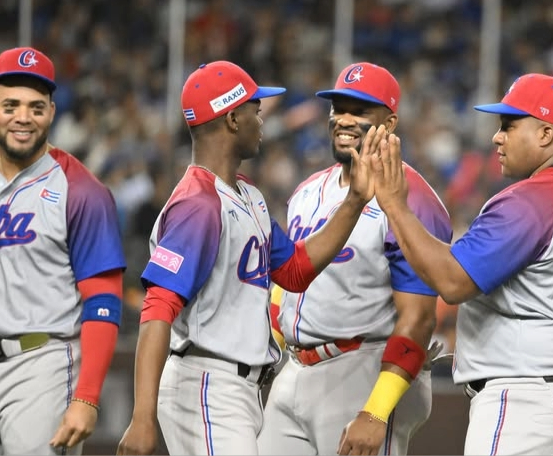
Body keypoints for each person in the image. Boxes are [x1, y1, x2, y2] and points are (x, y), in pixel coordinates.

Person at [116, 60, 380, 455]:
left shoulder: (245, 194)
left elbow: (294, 271)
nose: (262, 120)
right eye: (256, 111)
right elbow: (157, 311)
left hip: (237, 389)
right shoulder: (199, 204)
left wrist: (355, 201)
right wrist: (141, 417)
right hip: (205, 382)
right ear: (233, 119)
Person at [371, 73, 553, 455]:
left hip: (529, 399)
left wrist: (395, 205)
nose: (497, 137)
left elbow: (452, 281)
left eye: (508, 126)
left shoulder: (530, 199)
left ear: (546, 133)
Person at [258, 62, 453, 456]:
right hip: (294, 369)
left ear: (390, 121)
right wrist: (273, 349)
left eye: (360, 110)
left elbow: (418, 317)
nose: (344, 119)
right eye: (338, 108)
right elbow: (289, 285)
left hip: (363, 368)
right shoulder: (309, 190)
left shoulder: (412, 200)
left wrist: (377, 411)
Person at [0, 46, 126, 454]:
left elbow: (103, 301)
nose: (23, 117)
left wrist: (86, 397)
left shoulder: (81, 190)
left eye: (36, 107)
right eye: (11, 105)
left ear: (52, 113)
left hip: (41, 362)